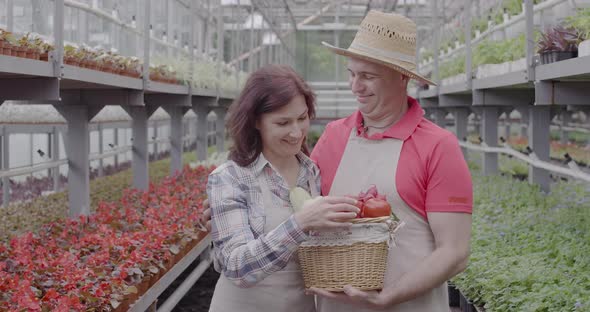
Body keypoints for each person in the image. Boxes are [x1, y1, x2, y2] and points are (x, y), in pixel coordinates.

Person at [306, 10, 473, 312]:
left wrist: (389, 296)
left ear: (402, 77)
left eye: (368, 76)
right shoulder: (334, 135)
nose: (355, 86)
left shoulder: (437, 146)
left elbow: (455, 251)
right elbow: (297, 206)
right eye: (352, 73)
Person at [206, 64, 360, 312]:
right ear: (256, 121)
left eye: (302, 118)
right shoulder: (231, 178)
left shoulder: (314, 173)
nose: (296, 132)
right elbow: (236, 267)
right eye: (282, 123)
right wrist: (300, 223)